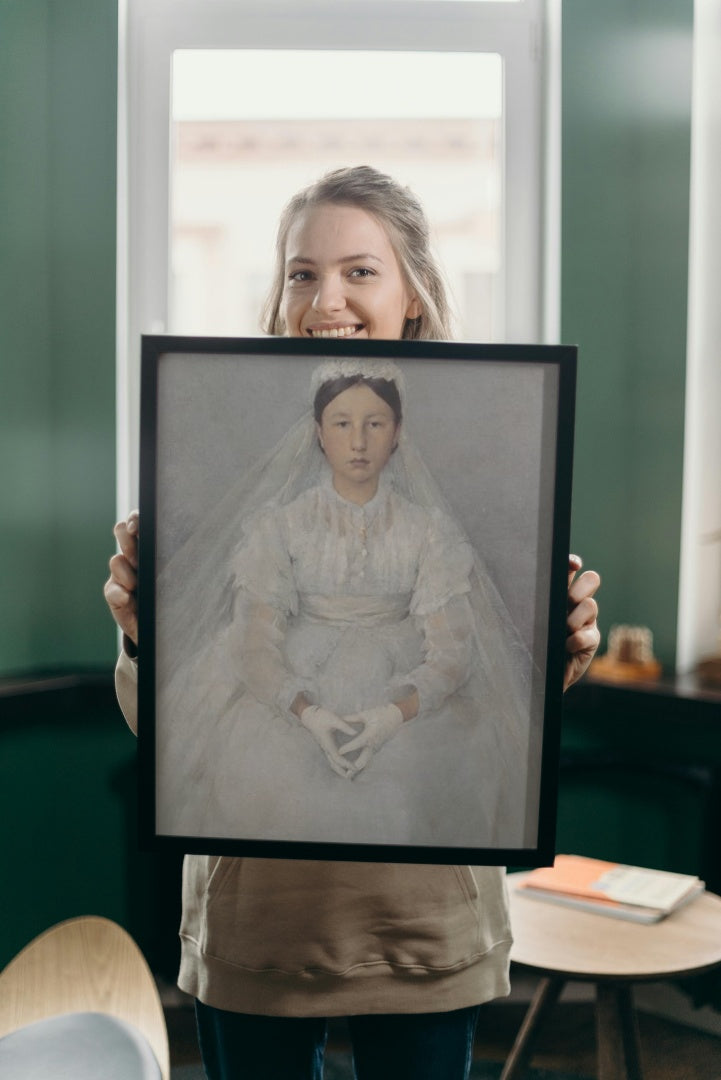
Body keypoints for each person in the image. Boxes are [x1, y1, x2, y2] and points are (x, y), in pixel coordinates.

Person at [105, 165, 601, 1080]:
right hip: (261, 914)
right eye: (301, 272)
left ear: (412, 292)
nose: (324, 297)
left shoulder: (482, 482)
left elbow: (485, 677)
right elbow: (173, 723)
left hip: (419, 914)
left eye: (359, 271)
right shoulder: (222, 489)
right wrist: (145, 635)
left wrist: (555, 650)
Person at [154, 357, 534, 851]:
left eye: (374, 424)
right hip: (298, 682)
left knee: (420, 782)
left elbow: (452, 652)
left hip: (401, 689)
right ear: (318, 432)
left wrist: (392, 716)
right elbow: (251, 644)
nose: (358, 442)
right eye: (342, 423)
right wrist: (308, 714)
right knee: (276, 781)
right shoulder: (282, 525)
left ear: (397, 433)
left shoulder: (428, 530)